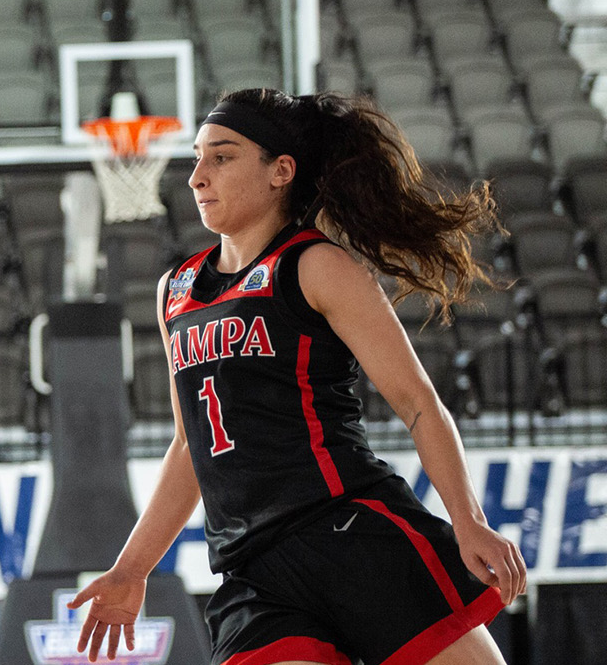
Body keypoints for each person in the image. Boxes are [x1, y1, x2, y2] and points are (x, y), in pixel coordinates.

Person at [68, 89, 527, 665]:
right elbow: (191, 445)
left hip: (353, 531)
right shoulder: (176, 290)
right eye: (195, 157)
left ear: (280, 171)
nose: (196, 177)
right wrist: (131, 569)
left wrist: (469, 520)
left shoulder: (317, 266)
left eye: (222, 156)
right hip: (254, 570)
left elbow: (417, 403)